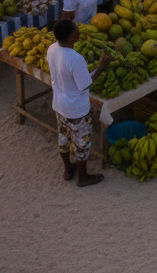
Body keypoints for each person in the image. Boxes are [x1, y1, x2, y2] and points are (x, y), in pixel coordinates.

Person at [46, 19, 113, 186]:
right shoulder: (76, 59)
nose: (78, 31)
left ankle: (68, 169)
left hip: (59, 105)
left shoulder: (52, 48)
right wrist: (101, 66)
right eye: (76, 30)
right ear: (70, 37)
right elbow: (85, 85)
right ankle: (83, 178)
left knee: (64, 138)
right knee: (82, 143)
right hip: (76, 109)